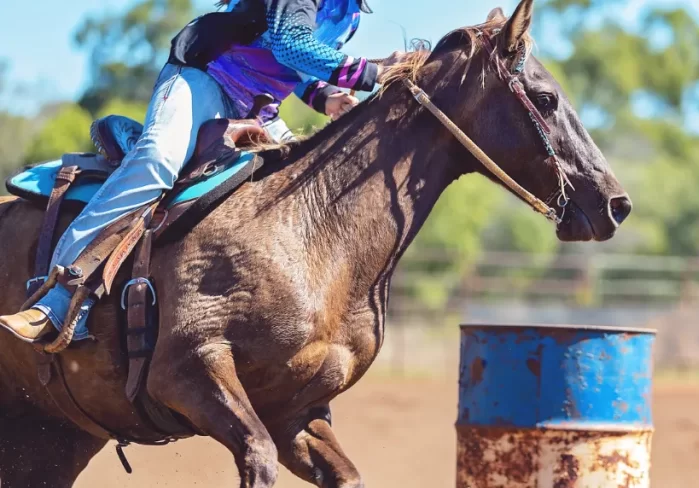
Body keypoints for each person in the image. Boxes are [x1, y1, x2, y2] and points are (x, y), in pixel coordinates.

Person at [0, 0, 401, 343]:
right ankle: (57, 296)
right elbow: (289, 43)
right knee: (158, 162)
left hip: (257, 109)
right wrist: (372, 73)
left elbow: (290, 63)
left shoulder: (350, 11)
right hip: (203, 78)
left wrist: (325, 95)